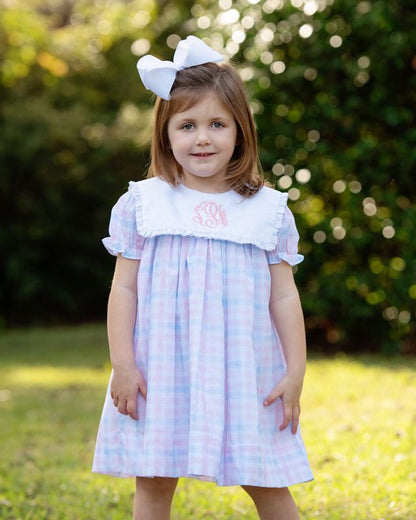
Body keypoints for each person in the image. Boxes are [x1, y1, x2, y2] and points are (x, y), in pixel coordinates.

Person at [92, 35, 313, 520]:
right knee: (152, 485)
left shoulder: (266, 211)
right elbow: (123, 288)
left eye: (217, 124)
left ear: (240, 131)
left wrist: (295, 369)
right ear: (166, 134)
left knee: (268, 481)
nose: (203, 138)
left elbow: (283, 296)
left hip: (244, 371)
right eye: (187, 125)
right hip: (159, 369)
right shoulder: (144, 204)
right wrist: (123, 363)